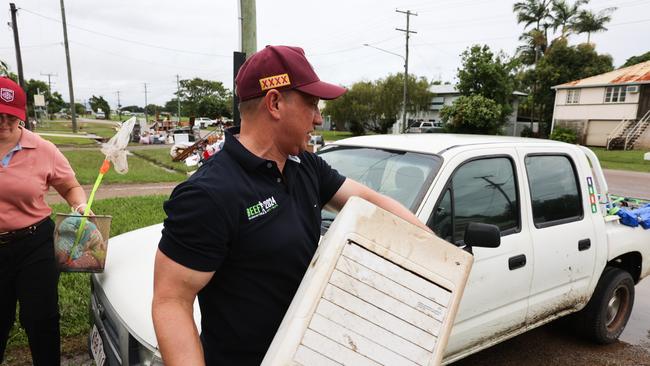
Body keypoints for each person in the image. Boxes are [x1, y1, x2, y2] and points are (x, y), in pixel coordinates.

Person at [151, 45, 430, 366]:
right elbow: (171, 300)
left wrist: (434, 248)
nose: (319, 118)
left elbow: (370, 203)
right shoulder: (210, 194)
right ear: (275, 102)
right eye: (311, 104)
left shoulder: (305, 166)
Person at [0, 77, 89, 365]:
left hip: (34, 243)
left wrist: (80, 205)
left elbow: (70, 187)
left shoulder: (43, 149)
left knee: (40, 318)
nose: (3, 122)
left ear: (21, 115)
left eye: (9, 116)